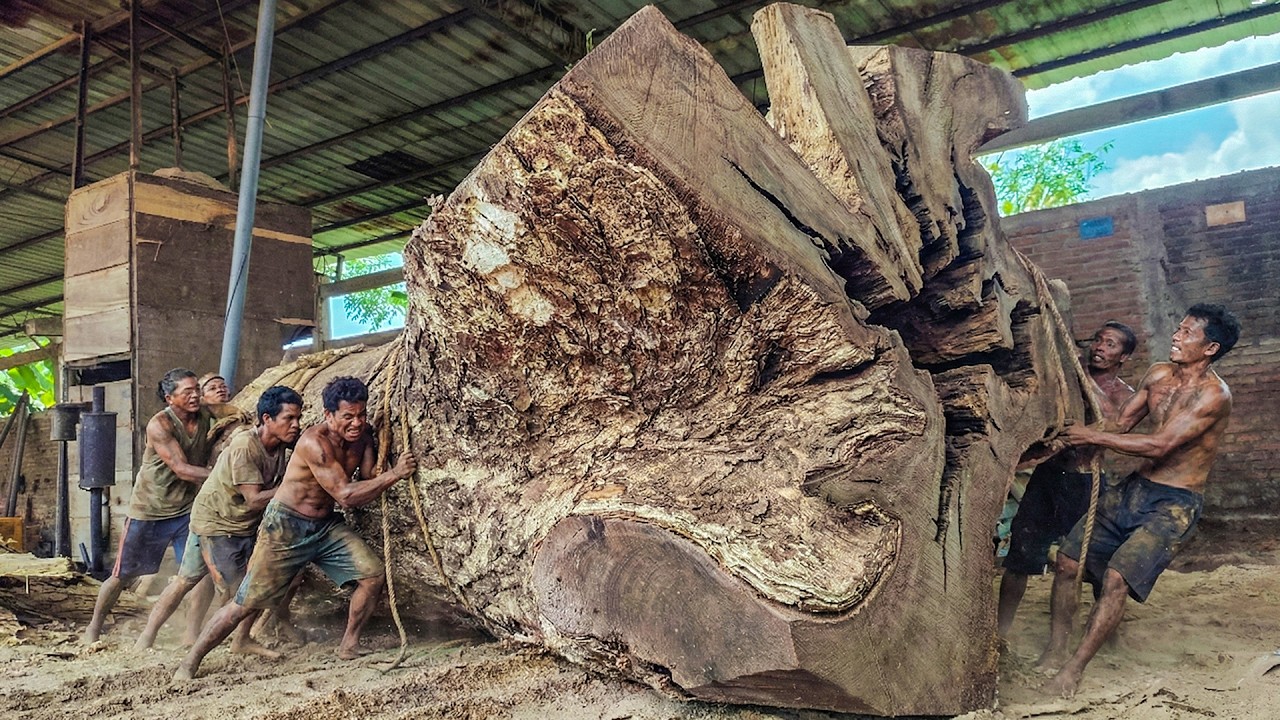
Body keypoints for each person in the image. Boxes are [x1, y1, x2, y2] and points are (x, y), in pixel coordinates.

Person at [1038, 304, 1239, 697]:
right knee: (1066, 561)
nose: (1176, 337)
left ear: (1210, 347)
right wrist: (1064, 437)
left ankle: (1072, 671)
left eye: (1187, 333)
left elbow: (1159, 445)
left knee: (1116, 579)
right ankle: (1054, 649)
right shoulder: (1159, 374)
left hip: (1174, 503)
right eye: (1178, 329)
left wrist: (1090, 437)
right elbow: (1120, 424)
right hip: (1134, 489)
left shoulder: (1215, 396)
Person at [174, 376, 416, 680]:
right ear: (328, 415)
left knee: (371, 574)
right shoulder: (315, 442)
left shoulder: (362, 434)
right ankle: (190, 662)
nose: (356, 423)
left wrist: (378, 446)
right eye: (348, 417)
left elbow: (367, 475)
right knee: (244, 604)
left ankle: (349, 645)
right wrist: (395, 474)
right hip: (285, 527)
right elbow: (346, 495)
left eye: (361, 414)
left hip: (324, 527)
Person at [134, 386, 303, 656]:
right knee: (237, 588)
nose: (296, 425)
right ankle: (231, 641)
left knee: (187, 580)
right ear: (268, 419)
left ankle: (152, 637)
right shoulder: (245, 446)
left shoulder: (283, 443)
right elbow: (255, 499)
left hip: (227, 522)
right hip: (219, 524)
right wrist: (293, 488)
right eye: (289, 419)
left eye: (298, 418)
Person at [997, 321, 1137, 637]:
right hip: (1050, 476)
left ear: (1124, 356)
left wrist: (1088, 388)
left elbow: (1115, 428)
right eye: (1098, 340)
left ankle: (1106, 635)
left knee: (1092, 564)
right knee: (1020, 557)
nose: (1100, 347)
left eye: (1111, 344)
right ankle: (1001, 632)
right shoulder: (1067, 377)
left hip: (1086, 482)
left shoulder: (1124, 396)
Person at [82, 368, 240, 644]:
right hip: (149, 510)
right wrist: (226, 474)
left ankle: (191, 633)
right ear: (170, 398)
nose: (194, 396)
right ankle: (93, 627)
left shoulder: (204, 412)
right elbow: (182, 469)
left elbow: (229, 409)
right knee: (122, 575)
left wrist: (241, 416)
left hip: (187, 510)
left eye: (196, 390)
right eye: (187, 392)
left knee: (198, 571)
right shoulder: (160, 425)